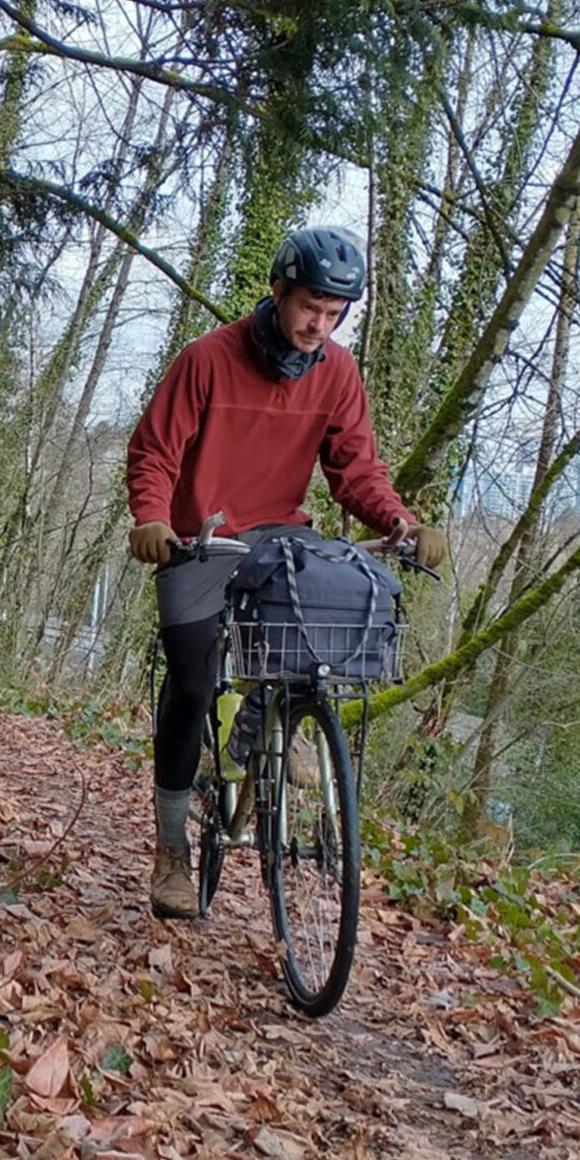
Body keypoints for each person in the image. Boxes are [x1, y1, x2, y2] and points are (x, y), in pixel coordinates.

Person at [125, 225, 447, 920]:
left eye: (334, 315)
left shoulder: (337, 373)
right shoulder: (207, 360)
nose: (318, 325)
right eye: (310, 307)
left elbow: (356, 469)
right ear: (278, 292)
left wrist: (400, 522)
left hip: (278, 539)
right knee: (189, 681)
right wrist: (152, 519)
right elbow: (154, 450)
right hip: (198, 539)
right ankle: (172, 847)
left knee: (321, 627)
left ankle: (273, 721)